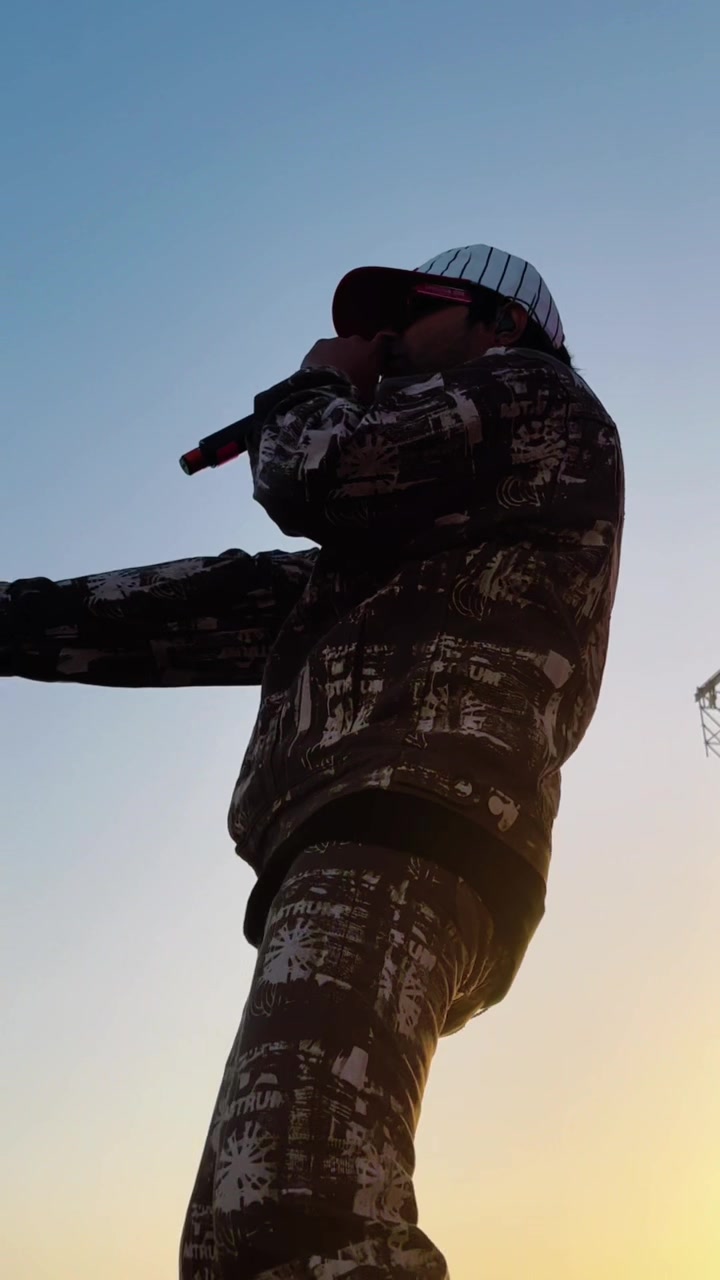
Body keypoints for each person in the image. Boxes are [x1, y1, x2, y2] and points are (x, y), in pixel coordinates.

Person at [1, 243, 624, 1279]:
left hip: (412, 816)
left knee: (293, 1212)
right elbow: (205, 605)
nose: (383, 336)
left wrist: (317, 380)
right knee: (234, 1238)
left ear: (500, 322)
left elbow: (323, 466)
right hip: (364, 833)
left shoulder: (536, 398)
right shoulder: (412, 551)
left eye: (411, 311)